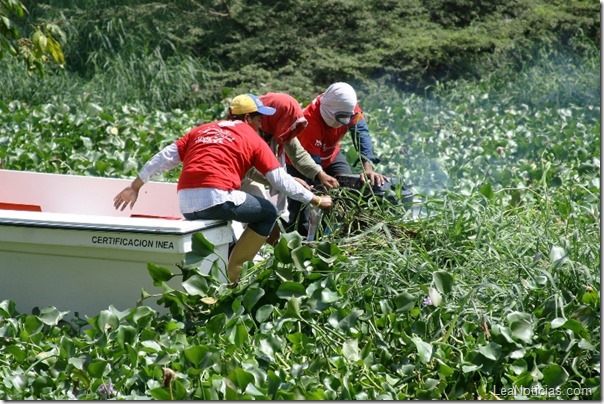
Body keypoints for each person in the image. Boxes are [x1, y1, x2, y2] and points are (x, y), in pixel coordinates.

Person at [113, 93, 333, 286]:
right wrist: (315, 200)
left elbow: (165, 157)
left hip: (187, 202)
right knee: (266, 212)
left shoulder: (202, 130)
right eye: (258, 119)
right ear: (247, 118)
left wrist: (135, 186)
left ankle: (227, 261)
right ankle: (234, 274)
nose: (260, 125)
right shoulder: (252, 138)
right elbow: (280, 180)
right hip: (217, 198)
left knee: (234, 222)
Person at [284, 82, 387, 237]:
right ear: (329, 110)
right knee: (302, 208)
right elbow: (312, 166)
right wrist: (326, 195)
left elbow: (362, 134)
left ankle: (338, 237)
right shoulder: (309, 122)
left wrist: (368, 168)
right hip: (301, 163)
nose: (344, 122)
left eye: (348, 118)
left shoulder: (348, 108)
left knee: (349, 192)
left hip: (331, 155)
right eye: (341, 118)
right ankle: (300, 242)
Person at [239, 92, 339, 243]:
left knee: (272, 217)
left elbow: (298, 155)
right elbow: (250, 170)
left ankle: (261, 252)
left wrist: (320, 174)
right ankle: (245, 256)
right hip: (240, 176)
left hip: (266, 175)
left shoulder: (281, 128)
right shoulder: (250, 130)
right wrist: (289, 181)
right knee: (262, 212)